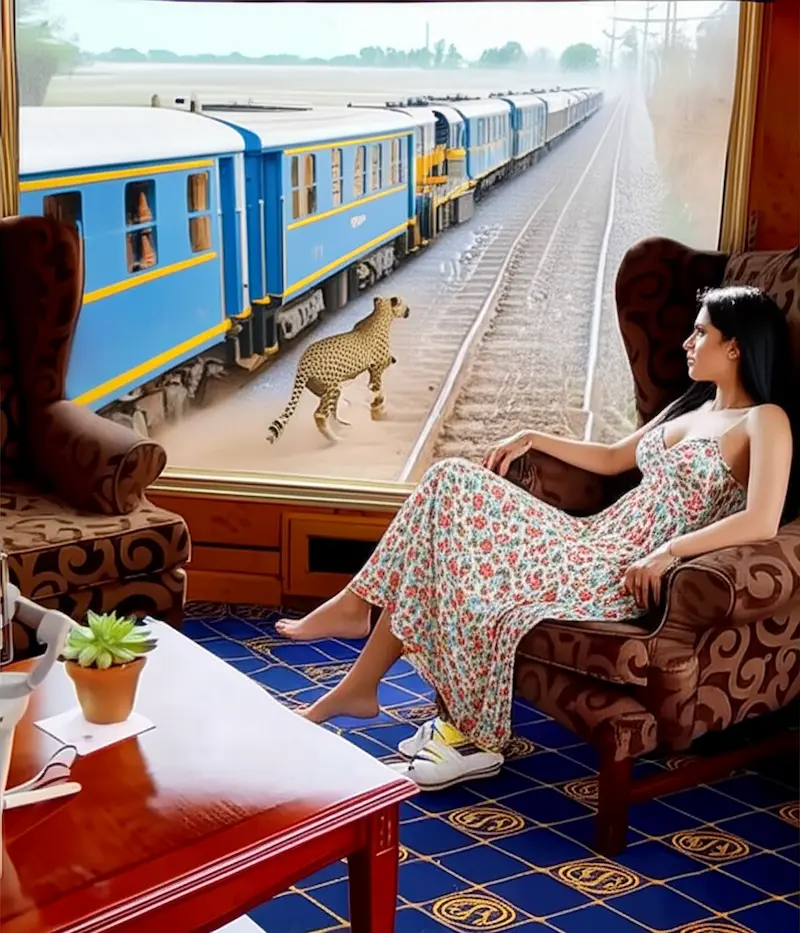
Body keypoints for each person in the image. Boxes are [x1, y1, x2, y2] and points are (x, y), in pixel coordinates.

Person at [276, 285, 796, 791]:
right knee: (447, 484)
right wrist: (531, 436)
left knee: (451, 497)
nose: (687, 342)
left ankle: (365, 638)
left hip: (620, 565)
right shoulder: (694, 409)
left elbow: (762, 521)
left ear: (735, 346)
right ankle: (360, 672)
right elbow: (616, 458)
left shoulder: (763, 420)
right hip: (593, 535)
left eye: (700, 333)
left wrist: (667, 552)